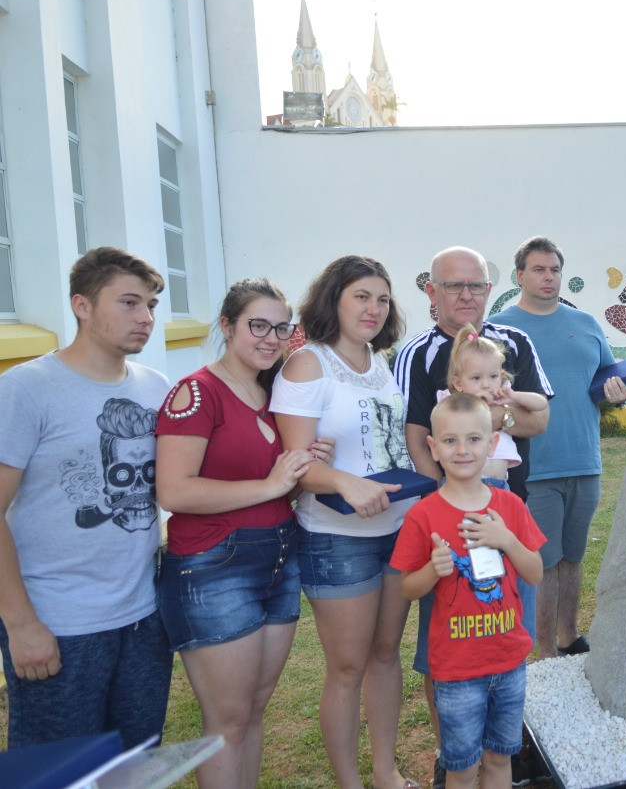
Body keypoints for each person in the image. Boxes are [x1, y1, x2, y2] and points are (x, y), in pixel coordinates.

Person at [156, 279, 332, 787]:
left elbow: (277, 490)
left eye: (281, 328)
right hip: (214, 566)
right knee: (227, 721)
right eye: (258, 325)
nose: (271, 337)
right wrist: (271, 483)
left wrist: (299, 474)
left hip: (277, 557)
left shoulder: (269, 392)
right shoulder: (195, 393)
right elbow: (175, 491)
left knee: (252, 714)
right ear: (227, 326)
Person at [0, 247, 171, 748]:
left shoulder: (155, 387)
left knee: (134, 766)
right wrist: (21, 623)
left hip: (143, 618)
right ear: (82, 305)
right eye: (129, 303)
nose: (145, 318)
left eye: (152, 306)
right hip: (59, 623)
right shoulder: (27, 389)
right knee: (61, 771)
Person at [393, 245, 550, 786]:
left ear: (490, 289)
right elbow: (417, 433)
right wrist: (448, 490)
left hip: (504, 510)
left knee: (507, 625)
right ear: (431, 291)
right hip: (448, 515)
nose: (466, 295)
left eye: (475, 286)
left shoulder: (512, 343)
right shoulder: (417, 354)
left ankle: (500, 751)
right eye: (454, 286)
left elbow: (537, 420)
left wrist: (496, 414)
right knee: (451, 634)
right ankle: (452, 753)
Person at [270, 256, 418, 789]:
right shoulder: (307, 364)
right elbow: (296, 465)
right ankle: (351, 782)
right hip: (337, 538)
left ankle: (385, 771)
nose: (374, 309)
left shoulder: (382, 362)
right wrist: (342, 482)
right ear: (333, 298)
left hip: (396, 530)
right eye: (361, 296)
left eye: (382, 298)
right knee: (349, 667)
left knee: (385, 657)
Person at [392, 393, 545, 789]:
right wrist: (432, 569)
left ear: (492, 443)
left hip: (509, 662)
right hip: (457, 670)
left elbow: (536, 572)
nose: (463, 450)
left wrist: (506, 540)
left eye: (474, 439)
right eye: (450, 441)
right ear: (433, 448)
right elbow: (408, 588)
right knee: (460, 768)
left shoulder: (509, 506)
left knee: (500, 759)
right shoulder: (422, 515)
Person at [491, 237, 626, 658]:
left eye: (554, 269)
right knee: (542, 562)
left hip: (584, 459)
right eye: (538, 270)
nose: (548, 277)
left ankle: (568, 636)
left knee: (572, 556)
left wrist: (618, 393)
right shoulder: (500, 329)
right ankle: (541, 651)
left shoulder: (587, 324)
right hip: (533, 465)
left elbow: (608, 382)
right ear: (520, 275)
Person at [442, 324, 549, 488]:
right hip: (463, 485)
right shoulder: (454, 402)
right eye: (476, 378)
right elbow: (448, 428)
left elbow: (540, 404)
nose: (486, 385)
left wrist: (514, 396)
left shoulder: (503, 396)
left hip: (500, 485)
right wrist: (474, 404)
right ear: (458, 383)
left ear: (501, 376)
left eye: (492, 376)